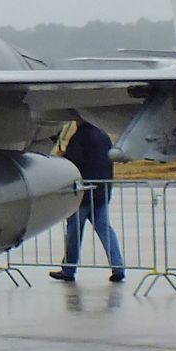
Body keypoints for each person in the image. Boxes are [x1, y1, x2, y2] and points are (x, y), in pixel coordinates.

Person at [50, 116, 125, 283]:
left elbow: (72, 162)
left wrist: (61, 151)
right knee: (105, 229)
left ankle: (69, 269)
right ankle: (118, 266)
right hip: (102, 191)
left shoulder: (79, 137)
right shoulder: (104, 136)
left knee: (74, 232)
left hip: (82, 194)